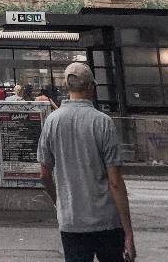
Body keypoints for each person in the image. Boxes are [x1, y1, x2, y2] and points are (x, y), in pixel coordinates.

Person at [38, 61, 135, 262]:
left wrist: (60, 202)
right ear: (92, 87)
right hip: (106, 221)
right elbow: (115, 182)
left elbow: (44, 175)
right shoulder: (102, 122)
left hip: (72, 221)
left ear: (66, 86)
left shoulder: (52, 122)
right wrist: (128, 233)